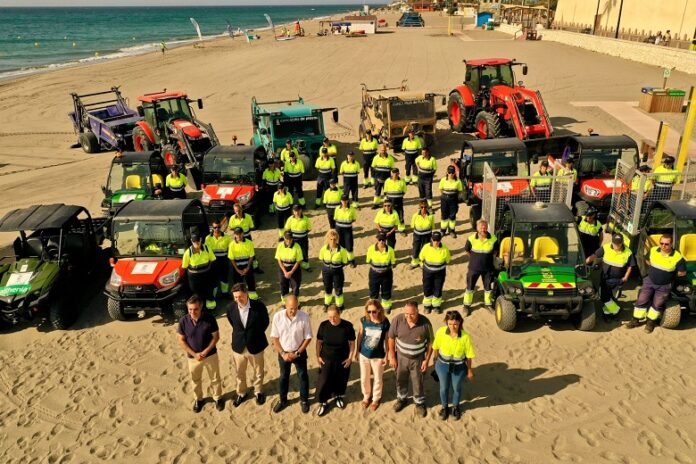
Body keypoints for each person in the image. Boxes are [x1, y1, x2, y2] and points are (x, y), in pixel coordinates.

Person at [626, 234, 686, 333]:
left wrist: (668, 275)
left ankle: (650, 323)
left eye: (666, 244)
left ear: (671, 244)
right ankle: (635, 320)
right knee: (641, 300)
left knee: (657, 305)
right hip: (649, 281)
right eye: (661, 243)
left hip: (665, 285)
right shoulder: (653, 250)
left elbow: (682, 272)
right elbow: (647, 260)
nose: (663, 246)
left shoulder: (677, 256)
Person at [177, 295, 223, 412]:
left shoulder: (210, 318)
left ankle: (218, 398)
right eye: (190, 309)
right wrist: (194, 354)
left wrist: (205, 352)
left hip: (210, 355)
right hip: (192, 358)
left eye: (195, 309)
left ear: (201, 308)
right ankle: (199, 399)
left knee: (215, 378)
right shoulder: (183, 321)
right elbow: (181, 340)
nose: (192, 312)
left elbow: (216, 337)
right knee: (195, 380)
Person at [388, 301, 434, 417]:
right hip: (401, 358)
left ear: (417, 312)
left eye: (411, 314)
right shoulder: (397, 320)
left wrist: (426, 360)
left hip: (417, 359)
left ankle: (419, 403)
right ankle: (402, 399)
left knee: (418, 382)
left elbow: (431, 343)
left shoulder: (425, 323)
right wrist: (392, 357)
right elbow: (391, 338)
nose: (408, 317)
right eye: (406, 314)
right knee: (400, 379)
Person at [226, 283, 269, 406]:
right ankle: (241, 393)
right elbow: (233, 323)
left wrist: (254, 335)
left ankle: (258, 391)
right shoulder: (230, 308)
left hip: (256, 345)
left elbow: (265, 322)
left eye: (240, 296)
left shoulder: (259, 306)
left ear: (246, 294)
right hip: (238, 347)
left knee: (258, 371)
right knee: (240, 372)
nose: (238, 299)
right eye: (235, 297)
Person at [270, 295, 312, 414]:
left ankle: (304, 400)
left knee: (303, 375)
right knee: (284, 377)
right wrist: (283, 354)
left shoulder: (304, 316)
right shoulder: (277, 317)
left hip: (299, 352)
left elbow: (308, 337)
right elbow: (275, 338)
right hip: (283, 353)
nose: (293, 311)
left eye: (295, 308)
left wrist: (298, 352)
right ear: (285, 306)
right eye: (290, 308)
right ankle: (283, 400)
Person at [432, 310, 475, 421]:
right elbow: (435, 347)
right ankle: (445, 407)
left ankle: (455, 406)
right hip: (442, 365)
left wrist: (469, 370)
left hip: (459, 367)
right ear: (446, 322)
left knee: (456, 387)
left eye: (455, 324)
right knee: (443, 388)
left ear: (460, 322)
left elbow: (469, 356)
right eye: (450, 323)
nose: (452, 327)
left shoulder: (466, 337)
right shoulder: (441, 332)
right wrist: (435, 363)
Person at [315, 305, 356, 416]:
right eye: (329, 317)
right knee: (324, 380)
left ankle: (337, 396)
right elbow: (319, 342)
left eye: (334, 317)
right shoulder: (323, 326)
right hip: (326, 359)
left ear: (339, 314)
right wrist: (318, 356)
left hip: (342, 359)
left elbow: (352, 343)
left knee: (340, 379)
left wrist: (350, 358)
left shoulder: (347, 326)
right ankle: (323, 402)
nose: (332, 320)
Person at [586, 234, 635, 321]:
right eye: (615, 244)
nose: (617, 246)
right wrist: (586, 262)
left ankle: (616, 310)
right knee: (607, 296)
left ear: (622, 242)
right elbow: (595, 255)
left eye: (619, 244)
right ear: (612, 242)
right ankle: (608, 314)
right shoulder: (606, 247)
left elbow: (630, 266)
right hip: (605, 277)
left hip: (617, 279)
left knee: (606, 297)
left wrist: (626, 277)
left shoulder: (628, 252)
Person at [355, 299, 390, 411]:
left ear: (379, 310)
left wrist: (387, 354)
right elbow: (360, 335)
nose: (371, 314)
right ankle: (366, 396)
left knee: (378, 378)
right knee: (364, 377)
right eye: (369, 311)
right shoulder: (364, 320)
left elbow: (387, 339)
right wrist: (357, 351)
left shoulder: (384, 322)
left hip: (378, 355)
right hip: (364, 354)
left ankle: (375, 399)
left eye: (374, 311)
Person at [463, 219, 498, 314]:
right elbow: (467, 250)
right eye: (481, 228)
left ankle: (488, 305)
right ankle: (466, 306)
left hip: (488, 269)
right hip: (473, 268)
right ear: (477, 228)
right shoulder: (471, 238)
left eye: (485, 227)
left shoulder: (493, 238)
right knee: (470, 288)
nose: (483, 229)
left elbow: (495, 251)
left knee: (488, 288)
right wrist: (475, 258)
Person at [182, 232, 217, 310]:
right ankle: (201, 310)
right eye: (194, 242)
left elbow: (212, 259)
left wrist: (207, 268)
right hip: (194, 278)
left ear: (201, 240)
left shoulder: (207, 249)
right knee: (198, 295)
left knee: (209, 293)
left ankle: (211, 309)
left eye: (198, 241)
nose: (196, 243)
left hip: (206, 275)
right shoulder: (188, 253)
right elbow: (185, 266)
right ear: (191, 241)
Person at [419, 231, 451, 314]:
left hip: (440, 273)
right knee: (427, 287)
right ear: (431, 239)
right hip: (427, 272)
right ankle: (427, 305)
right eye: (434, 240)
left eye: (438, 240)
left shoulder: (445, 248)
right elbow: (421, 257)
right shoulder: (426, 247)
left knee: (438, 287)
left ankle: (436, 306)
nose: (436, 242)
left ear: (440, 240)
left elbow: (448, 259)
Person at [319, 230, 350, 310]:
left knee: (338, 288)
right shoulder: (323, 249)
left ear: (337, 239)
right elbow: (321, 259)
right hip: (326, 272)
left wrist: (335, 267)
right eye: (331, 239)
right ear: (328, 239)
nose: (333, 241)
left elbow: (344, 262)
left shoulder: (342, 250)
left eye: (334, 239)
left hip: (338, 272)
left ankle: (339, 305)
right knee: (327, 288)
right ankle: (327, 303)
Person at [366, 233, 396, 313]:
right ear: (377, 239)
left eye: (383, 239)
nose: (381, 241)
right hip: (374, 274)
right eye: (380, 239)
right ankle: (373, 307)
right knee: (373, 291)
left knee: (386, 290)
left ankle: (386, 306)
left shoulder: (390, 250)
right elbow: (368, 260)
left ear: (386, 240)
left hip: (387, 274)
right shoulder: (371, 249)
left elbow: (393, 262)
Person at [227, 227, 259, 300]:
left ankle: (252, 294)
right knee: (237, 283)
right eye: (237, 234)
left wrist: (247, 268)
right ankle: (239, 296)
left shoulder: (249, 242)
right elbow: (231, 258)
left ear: (243, 234)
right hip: (237, 267)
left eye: (240, 234)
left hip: (247, 265)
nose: (239, 236)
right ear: (234, 234)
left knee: (250, 280)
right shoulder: (231, 244)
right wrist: (237, 269)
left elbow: (251, 256)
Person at [275, 230, 303, 302]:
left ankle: (295, 302)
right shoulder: (280, 246)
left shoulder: (297, 247)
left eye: (290, 239)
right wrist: (285, 272)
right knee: (283, 284)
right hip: (283, 268)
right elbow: (279, 260)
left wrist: (291, 272)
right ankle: (285, 302)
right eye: (287, 238)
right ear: (284, 238)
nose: (289, 240)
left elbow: (298, 261)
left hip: (294, 269)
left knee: (295, 286)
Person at [205, 220, 232, 296]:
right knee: (214, 279)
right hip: (213, 262)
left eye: (218, 227)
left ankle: (225, 293)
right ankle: (213, 296)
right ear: (212, 228)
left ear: (221, 227)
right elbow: (207, 251)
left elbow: (230, 248)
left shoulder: (226, 237)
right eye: (215, 227)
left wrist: (229, 259)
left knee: (224, 277)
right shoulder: (208, 238)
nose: (217, 229)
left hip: (224, 260)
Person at [438, 165, 463, 237]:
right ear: (447, 172)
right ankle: (443, 230)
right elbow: (440, 189)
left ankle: (452, 230)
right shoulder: (443, 180)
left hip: (453, 199)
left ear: (454, 173)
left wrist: (454, 197)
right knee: (444, 215)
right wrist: (446, 195)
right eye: (449, 172)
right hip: (444, 199)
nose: (450, 174)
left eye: (452, 172)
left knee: (452, 215)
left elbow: (460, 191)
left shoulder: (458, 181)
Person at [284, 204, 312, 270]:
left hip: (303, 239)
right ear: (293, 211)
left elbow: (309, 229)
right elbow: (287, 229)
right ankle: (293, 265)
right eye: (295, 211)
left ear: (301, 210)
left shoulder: (306, 219)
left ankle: (305, 265)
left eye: (298, 210)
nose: (297, 212)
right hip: (293, 239)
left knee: (304, 252)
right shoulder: (290, 219)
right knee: (293, 252)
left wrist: (302, 234)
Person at [410, 200, 435, 268]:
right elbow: (412, 226)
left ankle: (422, 262)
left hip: (427, 235)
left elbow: (432, 226)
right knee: (416, 248)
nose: (423, 209)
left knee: (425, 248)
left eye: (425, 207)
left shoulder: (431, 216)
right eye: (422, 207)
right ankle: (414, 262)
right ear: (419, 207)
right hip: (417, 235)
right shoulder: (415, 216)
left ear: (427, 207)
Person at [371, 144, 396, 208]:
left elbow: (393, 170)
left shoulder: (390, 158)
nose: (383, 151)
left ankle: (386, 204)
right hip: (378, 179)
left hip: (387, 180)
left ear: (386, 150)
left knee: (387, 193)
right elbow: (373, 168)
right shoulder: (376, 158)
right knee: (377, 192)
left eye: (384, 150)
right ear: (379, 150)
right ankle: (376, 204)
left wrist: (392, 179)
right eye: (382, 150)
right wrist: (373, 178)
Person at [384, 168, 407, 232]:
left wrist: (399, 196)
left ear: (398, 173)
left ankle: (401, 229)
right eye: (393, 173)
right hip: (390, 201)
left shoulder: (402, 181)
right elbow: (385, 191)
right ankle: (390, 228)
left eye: (396, 173)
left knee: (400, 214)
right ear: (391, 173)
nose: (395, 174)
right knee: (390, 214)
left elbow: (404, 191)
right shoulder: (387, 181)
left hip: (399, 201)